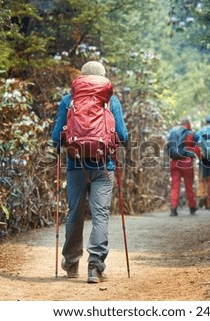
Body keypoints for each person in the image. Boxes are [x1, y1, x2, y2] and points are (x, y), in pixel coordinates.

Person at [51, 61, 128, 283]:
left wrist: (61, 147)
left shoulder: (68, 101)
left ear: (81, 79)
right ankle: (95, 266)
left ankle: (72, 262)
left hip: (76, 166)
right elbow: (122, 135)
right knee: (100, 214)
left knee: (75, 212)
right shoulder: (111, 101)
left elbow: (57, 137)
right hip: (104, 167)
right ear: (103, 79)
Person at [167, 118, 199, 216]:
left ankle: (173, 208)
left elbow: (168, 146)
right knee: (189, 186)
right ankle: (192, 207)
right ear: (188, 124)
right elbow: (196, 148)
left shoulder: (172, 132)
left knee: (174, 186)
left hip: (174, 162)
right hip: (186, 162)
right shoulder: (190, 133)